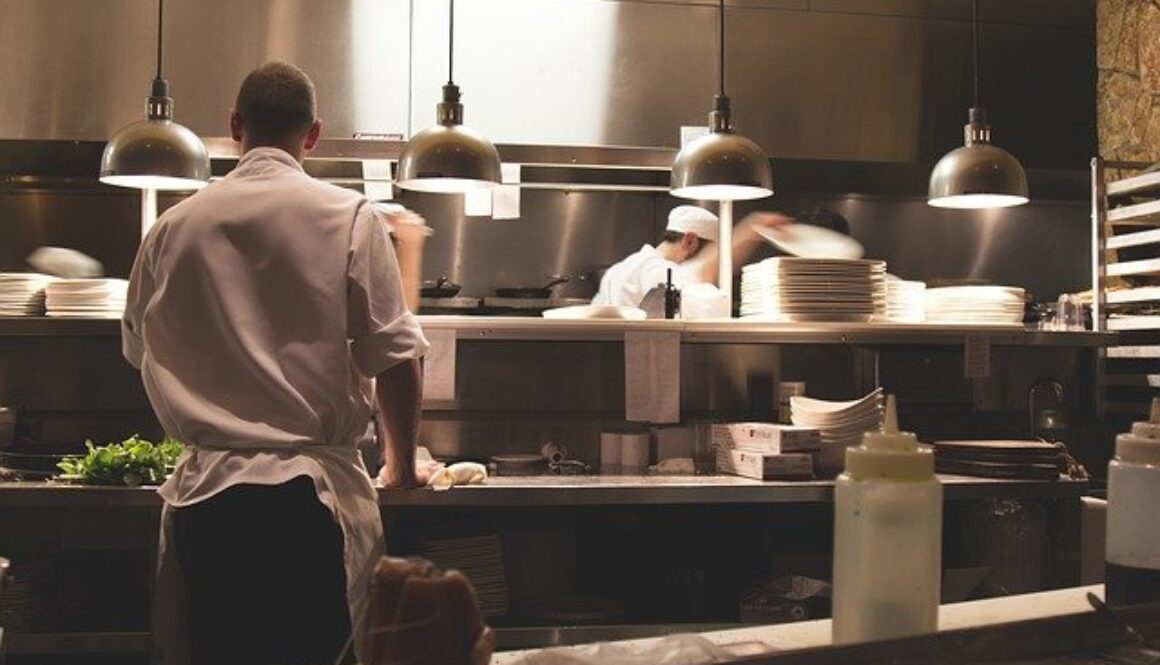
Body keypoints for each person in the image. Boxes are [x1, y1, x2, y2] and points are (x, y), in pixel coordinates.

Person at [121, 61, 429, 665]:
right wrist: (401, 467)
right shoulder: (349, 216)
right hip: (306, 506)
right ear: (312, 134)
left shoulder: (170, 227)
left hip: (204, 505)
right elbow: (394, 356)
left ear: (236, 126)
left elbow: (138, 349)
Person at [591, 204, 793, 307]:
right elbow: (699, 274)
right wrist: (751, 229)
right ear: (690, 241)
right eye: (710, 252)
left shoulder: (617, 270)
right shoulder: (653, 270)